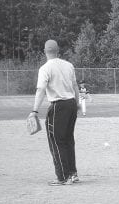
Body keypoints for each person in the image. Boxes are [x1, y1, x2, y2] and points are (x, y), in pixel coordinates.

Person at [28, 40, 81, 186]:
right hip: (71, 104)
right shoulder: (68, 65)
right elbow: (75, 86)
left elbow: (41, 90)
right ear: (58, 51)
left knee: (57, 141)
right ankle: (72, 173)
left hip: (58, 106)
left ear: (45, 51)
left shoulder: (45, 68)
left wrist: (34, 111)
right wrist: (77, 104)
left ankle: (62, 177)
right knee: (68, 140)